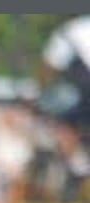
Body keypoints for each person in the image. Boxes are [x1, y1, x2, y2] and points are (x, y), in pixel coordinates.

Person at [40, 16, 90, 191]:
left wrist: (43, 94)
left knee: (62, 125)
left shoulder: (70, 30)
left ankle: (81, 170)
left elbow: (50, 66)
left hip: (83, 91)